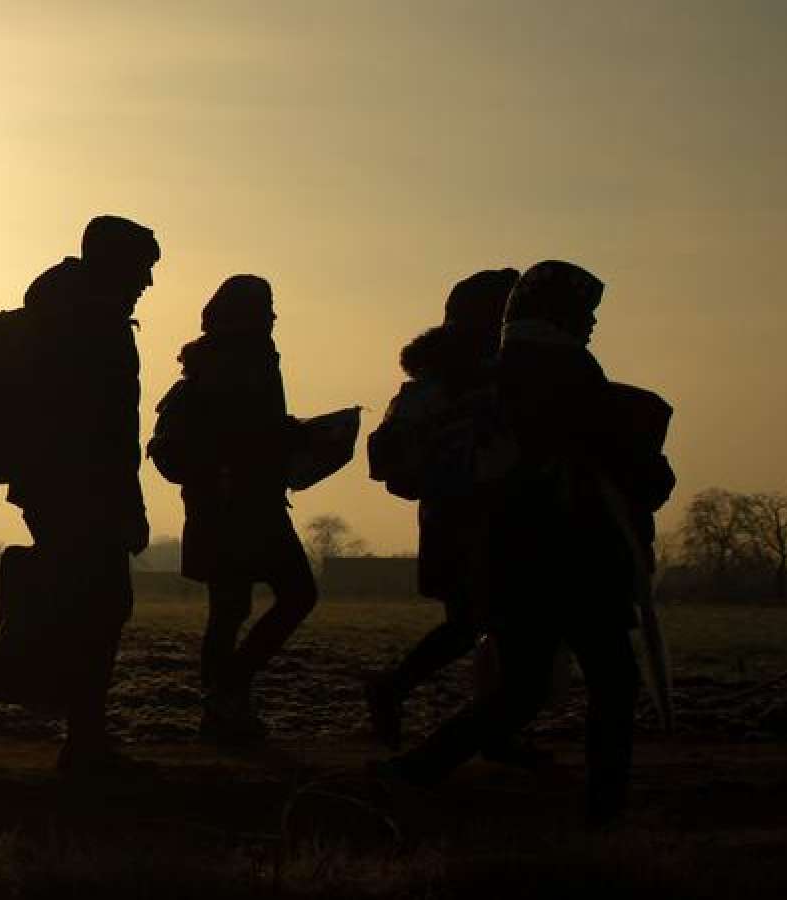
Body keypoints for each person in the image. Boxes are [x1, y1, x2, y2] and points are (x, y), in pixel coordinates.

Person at [379, 260, 674, 824]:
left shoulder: (498, 378)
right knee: (613, 684)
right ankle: (604, 811)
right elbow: (614, 456)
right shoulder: (564, 372)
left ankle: (413, 772)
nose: (590, 324)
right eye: (584, 313)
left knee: (521, 689)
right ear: (559, 314)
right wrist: (653, 476)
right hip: (574, 553)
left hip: (508, 555)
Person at [0, 215, 159, 773]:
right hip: (82, 491)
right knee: (100, 611)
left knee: (85, 612)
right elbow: (109, 431)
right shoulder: (95, 328)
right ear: (115, 264)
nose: (149, 284)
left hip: (51, 488)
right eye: (143, 269)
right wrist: (127, 506)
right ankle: (41, 715)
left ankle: (60, 725)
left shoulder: (60, 315)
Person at [361, 268, 520, 749]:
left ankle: (402, 692)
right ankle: (486, 729)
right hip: (475, 518)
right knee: (493, 624)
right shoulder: (475, 383)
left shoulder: (428, 386)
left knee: (476, 624)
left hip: (450, 516)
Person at [160, 275, 317, 745]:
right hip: (245, 505)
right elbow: (245, 433)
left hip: (221, 504)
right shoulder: (244, 363)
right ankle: (227, 693)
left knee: (227, 611)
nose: (273, 316)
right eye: (266, 307)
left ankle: (220, 710)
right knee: (295, 595)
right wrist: (292, 437)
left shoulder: (215, 362)